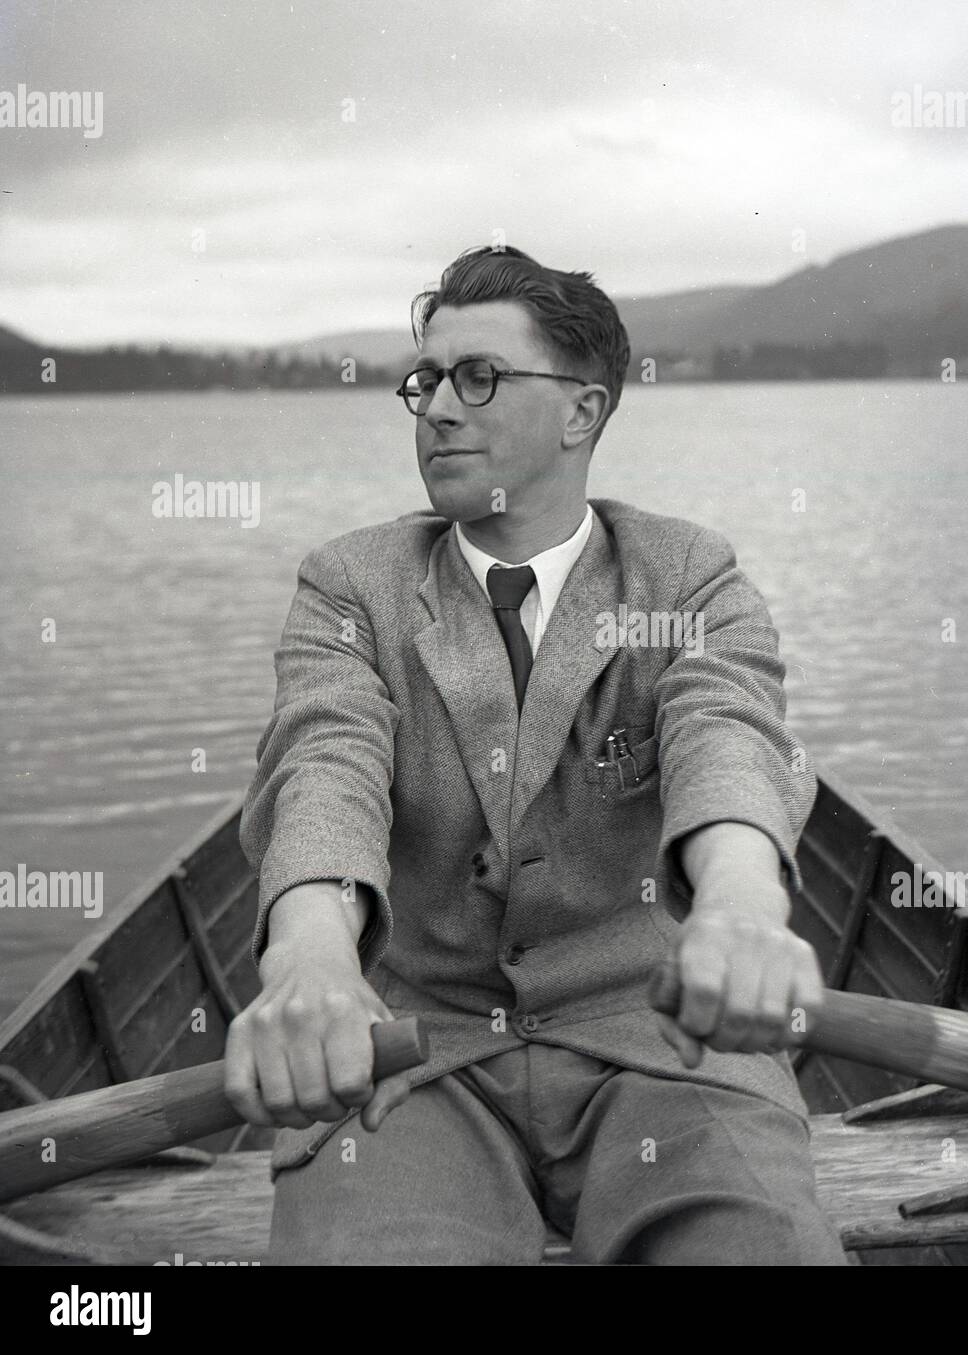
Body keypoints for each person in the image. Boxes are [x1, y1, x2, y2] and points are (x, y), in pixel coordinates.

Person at [228, 244, 846, 1265]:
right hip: (412, 1056)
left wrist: (739, 908)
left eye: (479, 377)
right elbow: (323, 764)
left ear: (582, 411)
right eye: (426, 380)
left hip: (665, 1047)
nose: (435, 408)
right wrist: (311, 959)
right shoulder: (351, 583)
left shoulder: (685, 574)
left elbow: (725, 733)